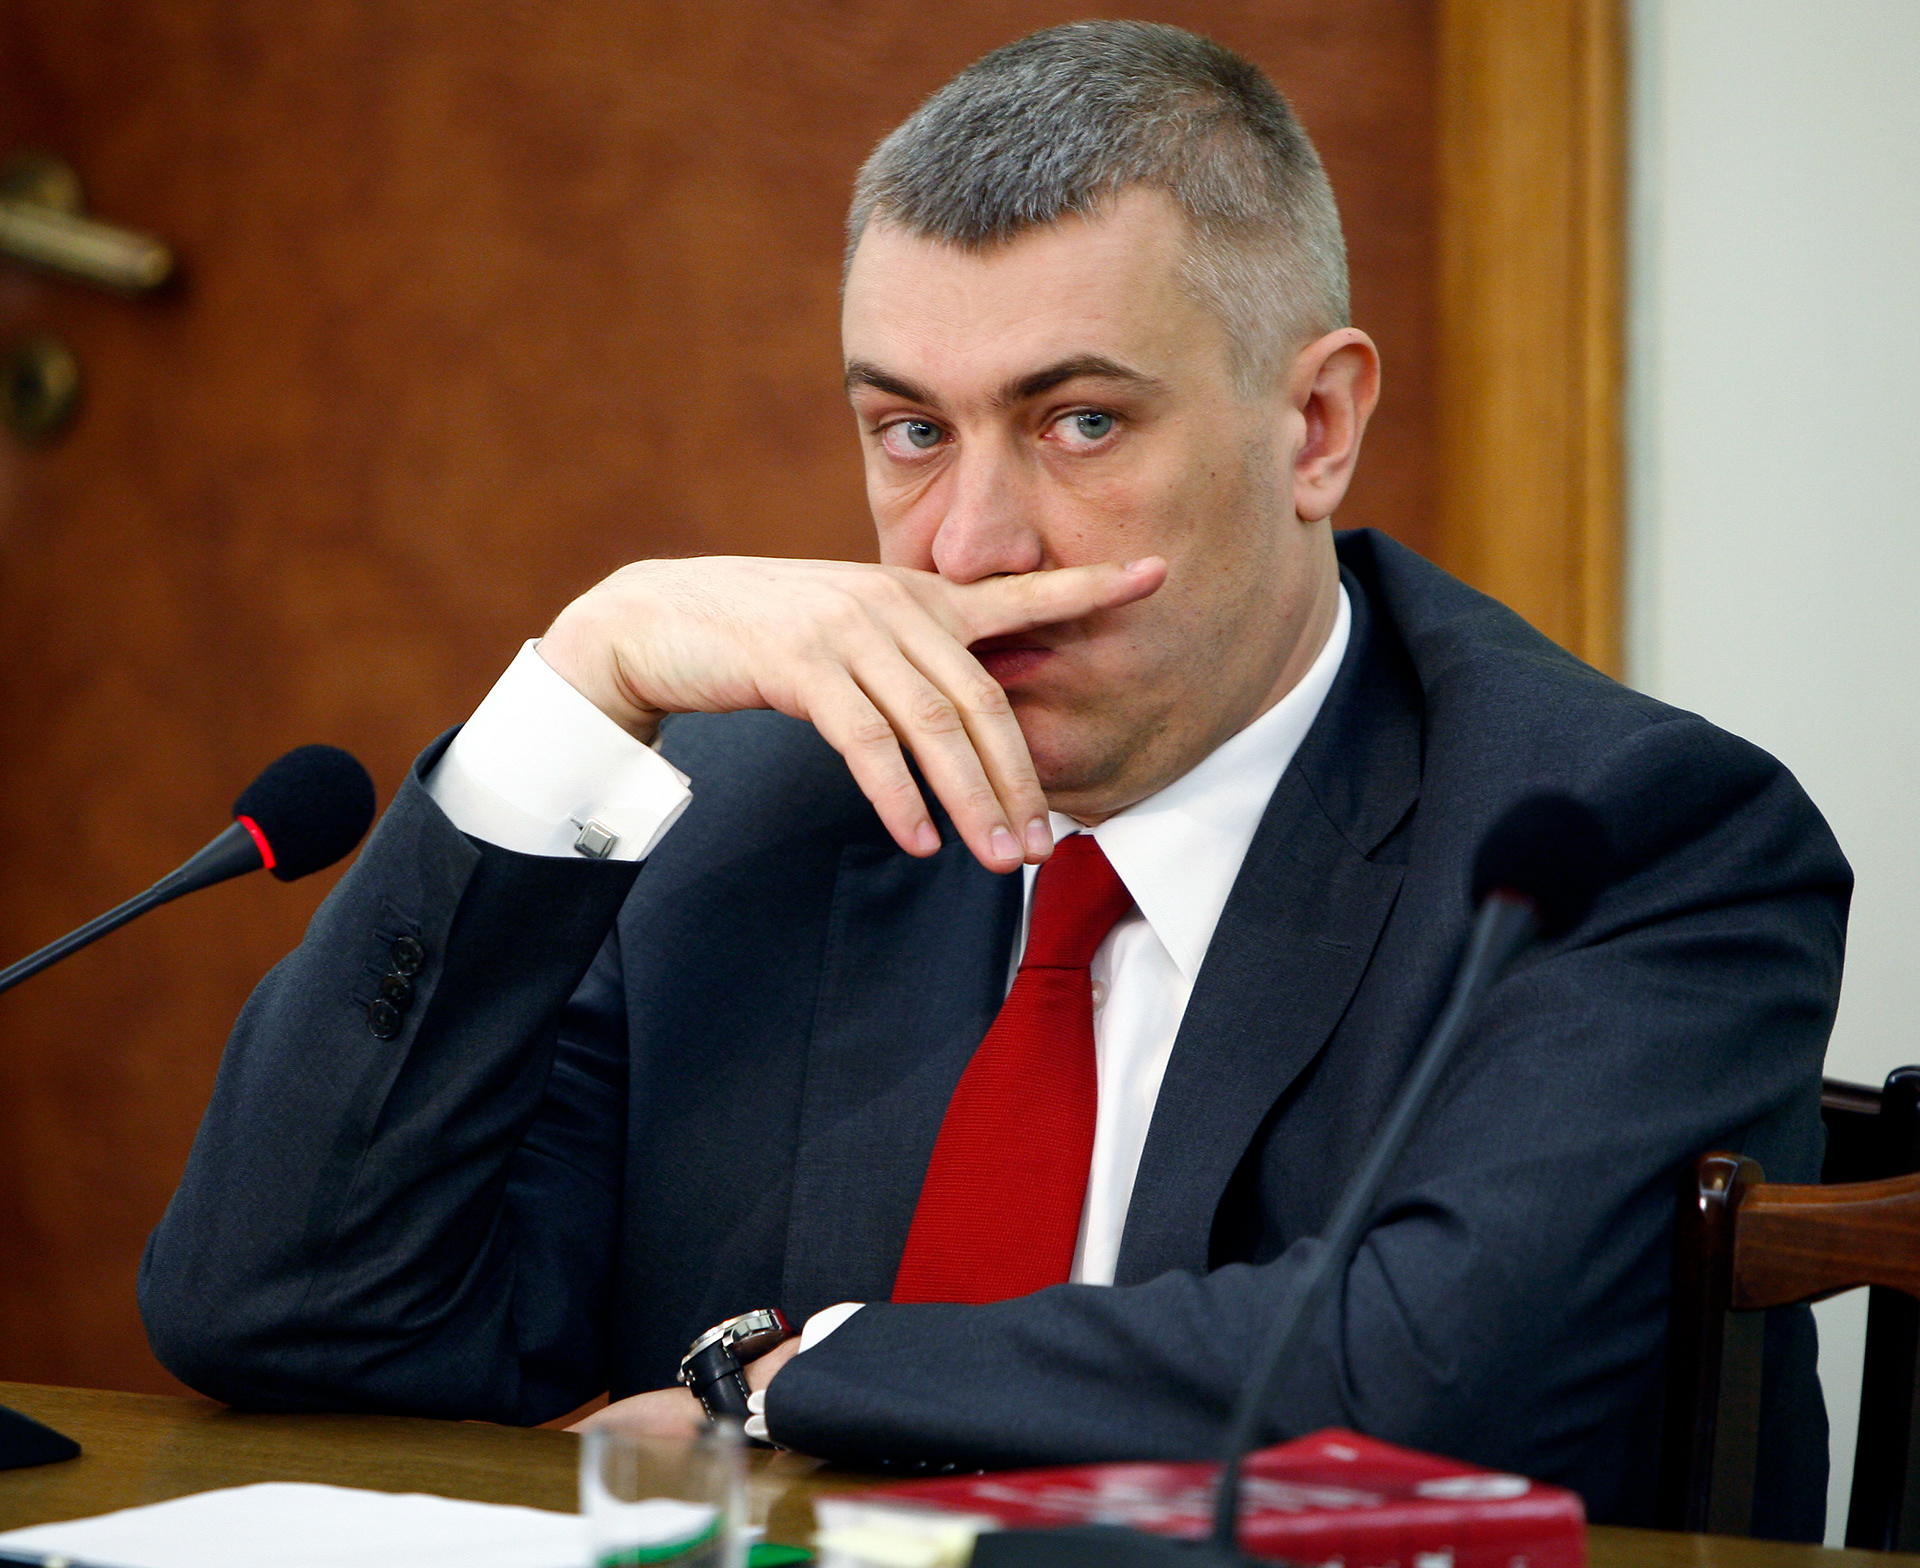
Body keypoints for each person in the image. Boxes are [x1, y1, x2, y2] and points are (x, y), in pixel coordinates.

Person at [139, 21, 1849, 1536]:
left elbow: (1436, 1380)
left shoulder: (1627, 840)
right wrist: (581, 686)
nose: (967, 546)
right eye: (911, 431)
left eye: (1080, 422)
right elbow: (292, 1312)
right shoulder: (754, 810)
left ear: (1315, 427)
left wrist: (799, 1381)